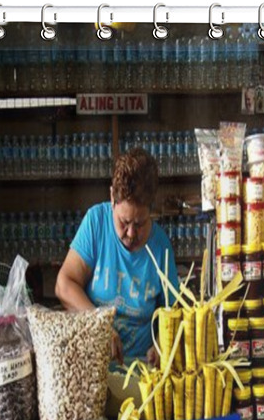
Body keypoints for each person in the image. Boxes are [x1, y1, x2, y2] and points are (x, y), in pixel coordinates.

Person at [56, 147, 179, 366]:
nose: (131, 234)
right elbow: (64, 285)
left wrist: (163, 342)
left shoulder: (161, 247)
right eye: (124, 222)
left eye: (140, 224)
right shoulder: (96, 223)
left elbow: (174, 311)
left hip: (140, 368)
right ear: (112, 197)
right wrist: (101, 326)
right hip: (93, 365)